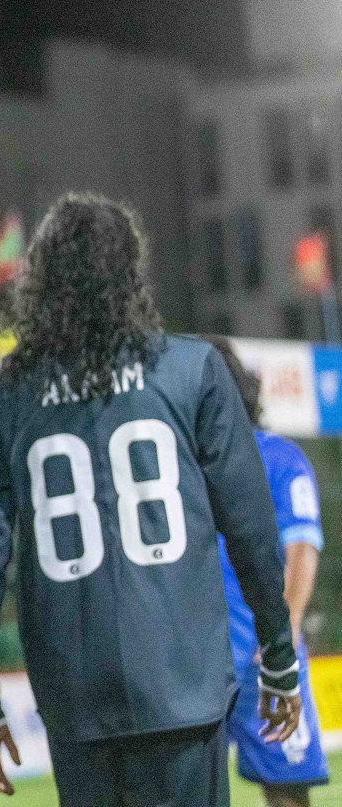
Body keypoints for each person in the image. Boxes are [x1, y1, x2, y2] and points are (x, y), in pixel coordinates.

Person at [0, 192, 302, 806]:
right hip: (182, 685)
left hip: (74, 696)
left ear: (43, 281)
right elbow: (250, 529)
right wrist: (278, 655)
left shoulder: (5, 395)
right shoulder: (193, 369)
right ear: (129, 272)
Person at [204, 336, 329, 806]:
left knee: (288, 792)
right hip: (196, 665)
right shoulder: (178, 466)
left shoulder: (280, 460)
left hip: (261, 658)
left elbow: (302, 549)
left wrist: (287, 631)